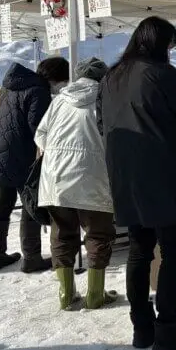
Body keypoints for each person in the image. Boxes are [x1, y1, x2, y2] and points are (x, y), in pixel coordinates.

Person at [98, 16, 176, 350]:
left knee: (139, 250)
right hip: (161, 174)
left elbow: (102, 122)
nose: (171, 53)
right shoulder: (162, 74)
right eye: (170, 46)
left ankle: (141, 328)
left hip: (125, 175)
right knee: (173, 253)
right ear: (160, 44)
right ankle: (167, 338)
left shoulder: (111, 76)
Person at [36, 57, 117, 311]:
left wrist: (57, 156)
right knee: (98, 234)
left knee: (62, 233)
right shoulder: (107, 99)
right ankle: (95, 294)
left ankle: (66, 294)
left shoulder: (59, 99)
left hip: (55, 177)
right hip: (93, 175)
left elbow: (41, 135)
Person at [0, 57, 69, 273]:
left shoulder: (14, 85)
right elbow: (39, 128)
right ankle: (32, 256)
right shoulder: (38, 91)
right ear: (56, 77)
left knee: (5, 203)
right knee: (31, 205)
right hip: (16, 156)